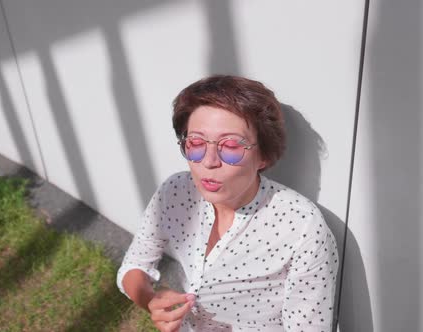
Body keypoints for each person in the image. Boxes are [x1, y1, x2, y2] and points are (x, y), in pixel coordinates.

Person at [116, 75, 339, 332]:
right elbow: (134, 266)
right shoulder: (175, 191)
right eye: (196, 143)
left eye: (231, 145)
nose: (208, 161)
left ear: (264, 155)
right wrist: (151, 300)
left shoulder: (302, 228)